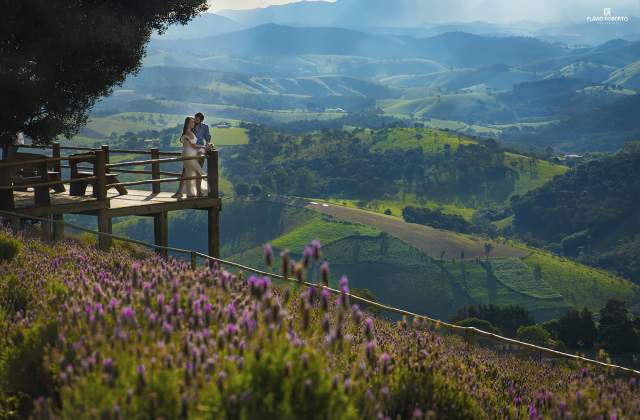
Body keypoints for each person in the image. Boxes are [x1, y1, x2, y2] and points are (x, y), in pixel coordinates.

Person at [173, 112, 212, 197]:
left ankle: (198, 192)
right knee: (186, 171)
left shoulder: (204, 127)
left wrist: (207, 146)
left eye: (197, 119)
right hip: (191, 152)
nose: (195, 121)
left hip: (199, 152)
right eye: (194, 119)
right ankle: (180, 191)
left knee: (198, 172)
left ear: (201, 120)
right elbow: (185, 140)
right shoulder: (191, 128)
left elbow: (208, 138)